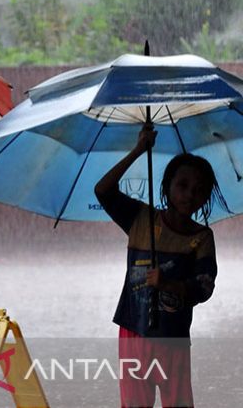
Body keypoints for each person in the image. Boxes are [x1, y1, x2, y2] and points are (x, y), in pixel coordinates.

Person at [94, 124, 225, 408]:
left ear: (205, 198)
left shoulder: (201, 238)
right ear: (167, 186)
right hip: (134, 330)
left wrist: (168, 284)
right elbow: (103, 190)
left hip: (173, 337)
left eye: (199, 190)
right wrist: (139, 150)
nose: (189, 195)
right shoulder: (140, 218)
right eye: (182, 185)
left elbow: (204, 287)